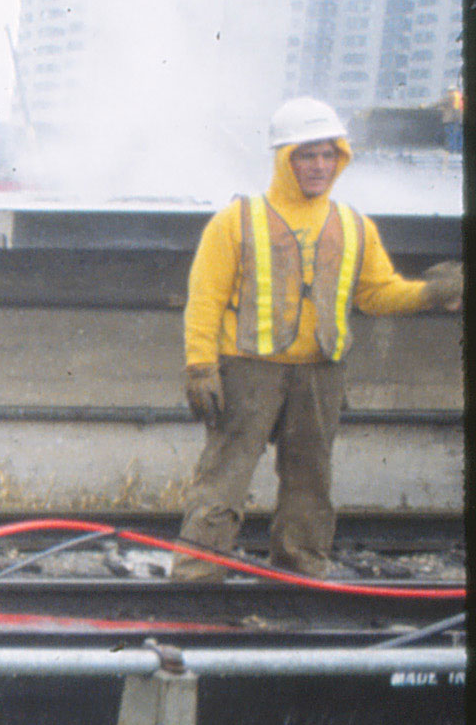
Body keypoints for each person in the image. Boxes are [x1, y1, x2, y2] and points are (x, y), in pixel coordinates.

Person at [171, 96, 462, 580]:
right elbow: (205, 300)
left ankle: (300, 574)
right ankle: (196, 577)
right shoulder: (236, 221)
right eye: (307, 155)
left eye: (329, 154)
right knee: (224, 476)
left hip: (320, 373)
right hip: (248, 369)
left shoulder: (353, 225)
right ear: (284, 159)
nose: (320, 166)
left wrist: (432, 293)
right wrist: (200, 366)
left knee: (310, 482)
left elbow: (377, 294)